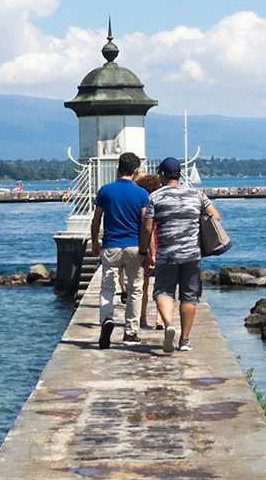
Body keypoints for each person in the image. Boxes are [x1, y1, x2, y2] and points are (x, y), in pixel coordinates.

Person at [140, 155, 221, 353]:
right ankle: (184, 340)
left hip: (167, 254)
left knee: (163, 292)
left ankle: (169, 324)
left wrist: (144, 252)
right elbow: (215, 216)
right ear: (180, 174)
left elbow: (148, 227)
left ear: (162, 174)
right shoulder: (197, 194)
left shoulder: (155, 197)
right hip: (192, 254)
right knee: (189, 296)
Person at [88, 151, 149, 348]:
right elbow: (144, 223)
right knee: (135, 289)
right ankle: (131, 332)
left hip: (111, 245)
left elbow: (96, 218)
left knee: (107, 287)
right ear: (135, 170)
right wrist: (147, 249)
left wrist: (95, 241)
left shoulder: (105, 191)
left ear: (118, 168)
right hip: (133, 245)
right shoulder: (141, 193)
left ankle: (107, 318)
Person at [133, 171, 162, 327]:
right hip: (161, 247)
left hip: (144, 246)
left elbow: (146, 229)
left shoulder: (142, 206)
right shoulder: (160, 203)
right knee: (161, 285)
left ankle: (142, 318)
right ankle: (159, 317)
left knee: (142, 286)